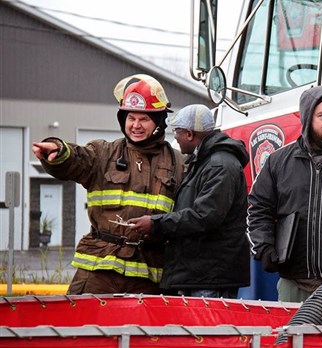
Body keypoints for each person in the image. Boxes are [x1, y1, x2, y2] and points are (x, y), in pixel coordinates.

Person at [32, 74, 184, 295]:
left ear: (159, 122)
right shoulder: (103, 153)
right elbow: (77, 158)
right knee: (80, 328)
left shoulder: (178, 163)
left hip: (150, 275)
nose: (136, 125)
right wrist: (58, 150)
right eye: (131, 118)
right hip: (98, 270)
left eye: (144, 119)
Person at [247, 86, 322, 302]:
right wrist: (264, 245)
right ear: (307, 118)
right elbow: (258, 209)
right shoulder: (278, 162)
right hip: (293, 283)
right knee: (291, 336)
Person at [127, 104, 250, 298]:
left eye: (177, 131)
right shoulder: (203, 162)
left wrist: (155, 224)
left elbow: (204, 216)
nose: (175, 137)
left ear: (190, 134)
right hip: (201, 275)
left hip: (210, 278)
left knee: (206, 329)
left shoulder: (219, 165)